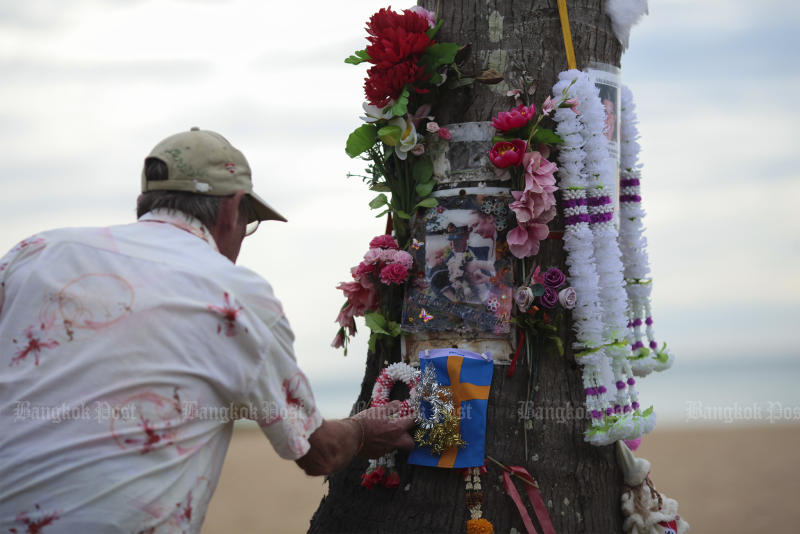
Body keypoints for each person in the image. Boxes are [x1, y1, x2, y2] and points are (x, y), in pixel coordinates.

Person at [0, 128, 415, 532]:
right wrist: (362, 430)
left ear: (145, 202)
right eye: (249, 222)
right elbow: (317, 452)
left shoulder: (34, 254)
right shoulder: (234, 292)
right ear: (233, 209)